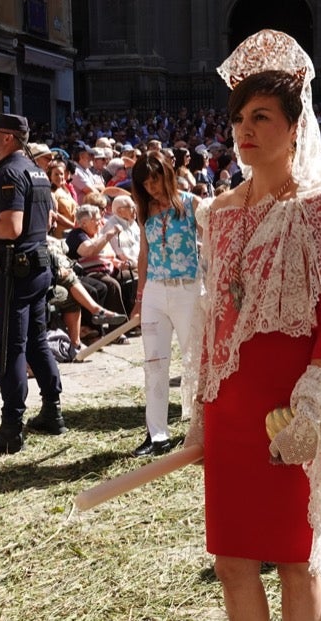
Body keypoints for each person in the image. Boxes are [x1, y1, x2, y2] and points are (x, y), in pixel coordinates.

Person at [185, 30, 321, 618]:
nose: (245, 128)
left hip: (290, 408)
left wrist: (313, 409)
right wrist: (198, 410)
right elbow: (216, 317)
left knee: (296, 558)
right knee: (231, 561)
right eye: (239, 116)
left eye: (261, 116)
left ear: (295, 126)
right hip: (230, 408)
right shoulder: (217, 212)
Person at [0, 113, 64, 453]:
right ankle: (52, 411)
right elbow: (49, 220)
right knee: (37, 341)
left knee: (10, 348)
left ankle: (11, 427)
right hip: (37, 266)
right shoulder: (36, 171)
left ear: (7, 137)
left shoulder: (9, 172)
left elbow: (11, 228)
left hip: (16, 270)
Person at [129, 151, 203, 457]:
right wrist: (139, 296)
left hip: (188, 289)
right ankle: (157, 434)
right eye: (145, 182)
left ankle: (200, 429)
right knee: (154, 364)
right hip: (156, 292)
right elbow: (143, 254)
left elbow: (211, 239)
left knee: (195, 361)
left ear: (167, 174)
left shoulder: (190, 203)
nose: (152, 187)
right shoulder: (144, 210)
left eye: (155, 178)